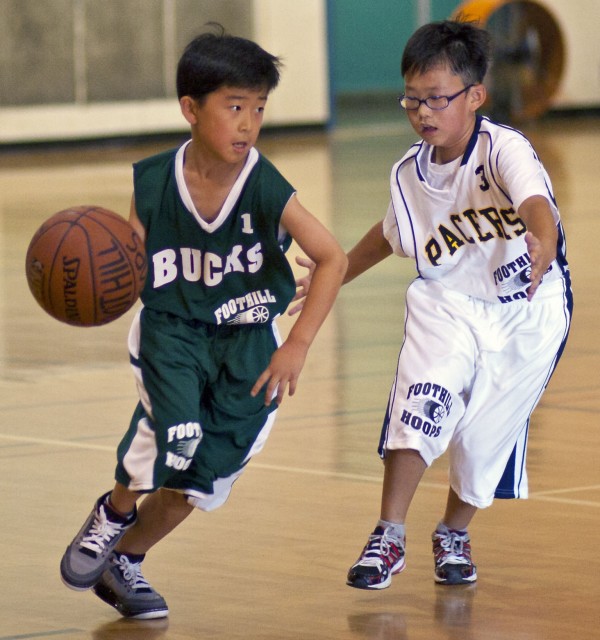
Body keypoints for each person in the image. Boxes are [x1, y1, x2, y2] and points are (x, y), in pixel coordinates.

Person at [60, 28, 347, 619]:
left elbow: (332, 257)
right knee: (177, 434)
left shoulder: (265, 186)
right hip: (174, 333)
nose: (249, 124)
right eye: (234, 107)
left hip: (249, 346)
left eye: (259, 109)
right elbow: (129, 265)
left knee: (199, 482)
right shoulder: (153, 183)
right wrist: (95, 293)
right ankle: (113, 512)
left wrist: (296, 343)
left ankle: (124, 560)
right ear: (191, 109)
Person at [296, 19, 572, 589]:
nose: (423, 112)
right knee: (422, 402)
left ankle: (453, 533)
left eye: (437, 99)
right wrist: (336, 271)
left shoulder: (504, 149)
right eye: (412, 99)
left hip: (529, 307)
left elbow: (534, 202)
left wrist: (542, 241)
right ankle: (388, 535)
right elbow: (390, 235)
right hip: (449, 300)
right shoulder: (409, 173)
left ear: (475, 96)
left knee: (481, 443)